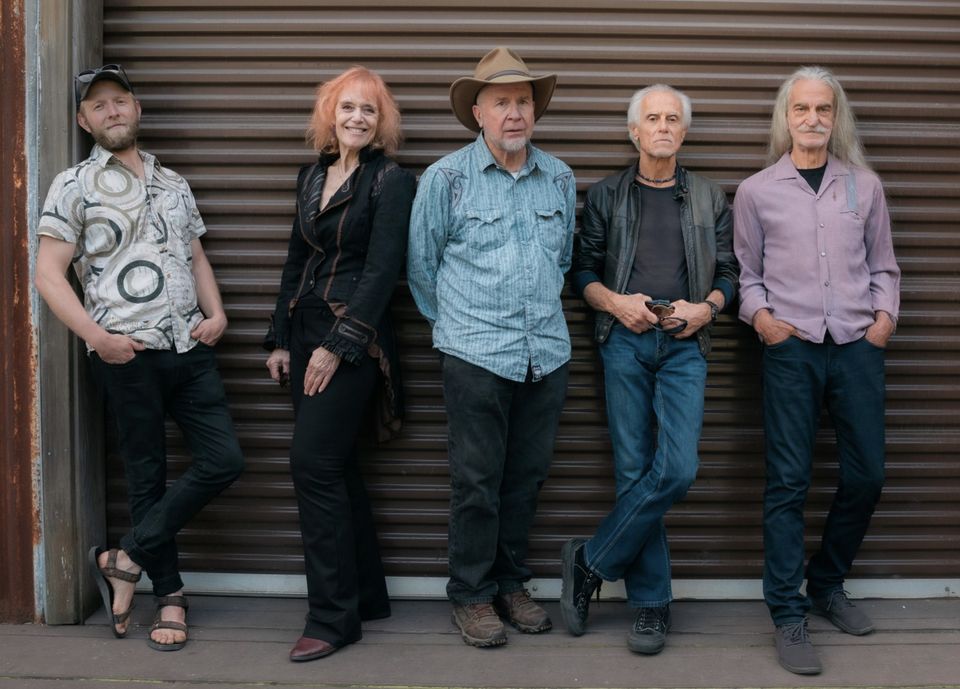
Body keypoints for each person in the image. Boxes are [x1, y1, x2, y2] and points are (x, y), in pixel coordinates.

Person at [35, 64, 244, 651]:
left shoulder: (173, 182)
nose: (111, 111)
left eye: (118, 100)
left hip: (189, 348)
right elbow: (48, 275)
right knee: (146, 475)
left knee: (224, 460)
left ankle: (124, 557)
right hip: (125, 352)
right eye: (97, 106)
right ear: (83, 120)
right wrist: (96, 339)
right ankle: (170, 597)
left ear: (137, 108)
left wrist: (218, 313)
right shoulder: (72, 185)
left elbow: (196, 257)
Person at [559, 85, 738, 655]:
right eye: (652, 119)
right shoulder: (608, 195)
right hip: (624, 341)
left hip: (685, 342)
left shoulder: (710, 197)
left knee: (678, 469)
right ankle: (652, 606)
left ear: (683, 132)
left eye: (673, 119)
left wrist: (705, 308)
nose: (663, 127)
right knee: (634, 471)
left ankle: (590, 560)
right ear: (633, 131)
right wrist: (616, 302)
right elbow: (580, 271)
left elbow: (731, 273)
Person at [733, 66, 900, 675]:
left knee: (867, 475)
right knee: (787, 483)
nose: (811, 119)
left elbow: (885, 264)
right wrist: (764, 320)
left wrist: (883, 320)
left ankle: (826, 583)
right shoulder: (757, 191)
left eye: (822, 109)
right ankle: (787, 611)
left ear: (836, 117)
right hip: (791, 347)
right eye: (801, 108)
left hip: (856, 344)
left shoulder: (865, 186)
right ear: (786, 116)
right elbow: (746, 272)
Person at [407, 46, 575, 648]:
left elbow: (563, 257)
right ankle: (472, 596)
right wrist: (459, 328)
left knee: (525, 480)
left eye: (523, 102)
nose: (514, 114)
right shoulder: (446, 178)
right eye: (501, 102)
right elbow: (421, 269)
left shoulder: (559, 176)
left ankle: (511, 584)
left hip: (546, 353)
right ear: (476, 112)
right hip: (475, 355)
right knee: (475, 482)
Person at [263, 66, 416, 662]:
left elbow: (383, 273)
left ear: (381, 123)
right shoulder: (311, 176)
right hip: (303, 332)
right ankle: (366, 597)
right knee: (338, 466)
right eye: (347, 107)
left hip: (355, 340)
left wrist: (339, 343)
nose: (357, 118)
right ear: (330, 114)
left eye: (369, 111)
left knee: (313, 464)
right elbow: (295, 259)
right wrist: (279, 338)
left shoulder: (391, 181)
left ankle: (332, 618)